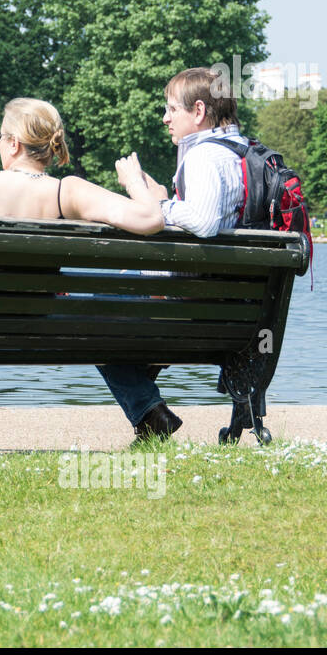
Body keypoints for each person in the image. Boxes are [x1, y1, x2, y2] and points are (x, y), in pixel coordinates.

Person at [0, 97, 163, 450]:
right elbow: (151, 220)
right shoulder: (67, 191)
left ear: (13, 143)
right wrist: (139, 184)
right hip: (41, 322)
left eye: (0, 137)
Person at [93, 67, 255, 442]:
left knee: (86, 310)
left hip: (187, 311)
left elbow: (203, 221)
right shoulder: (243, 151)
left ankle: (150, 414)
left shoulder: (204, 156)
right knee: (107, 304)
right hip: (234, 312)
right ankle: (149, 411)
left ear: (198, 111)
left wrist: (153, 200)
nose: (165, 118)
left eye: (171, 110)